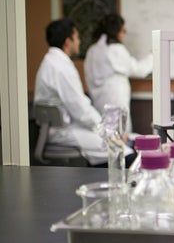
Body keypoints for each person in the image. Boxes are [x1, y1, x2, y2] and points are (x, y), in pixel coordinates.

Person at [34, 18, 135, 167]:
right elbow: (81, 109)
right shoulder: (61, 68)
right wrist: (109, 132)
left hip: (59, 129)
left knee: (112, 147)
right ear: (68, 42)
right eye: (77, 38)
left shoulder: (50, 62)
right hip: (64, 132)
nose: (79, 42)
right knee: (123, 152)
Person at [84, 13, 153, 134]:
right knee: (119, 140)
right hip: (116, 104)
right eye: (123, 30)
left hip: (98, 105)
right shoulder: (116, 50)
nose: (124, 34)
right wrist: (153, 55)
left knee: (103, 138)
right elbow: (139, 70)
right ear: (115, 31)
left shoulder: (92, 50)